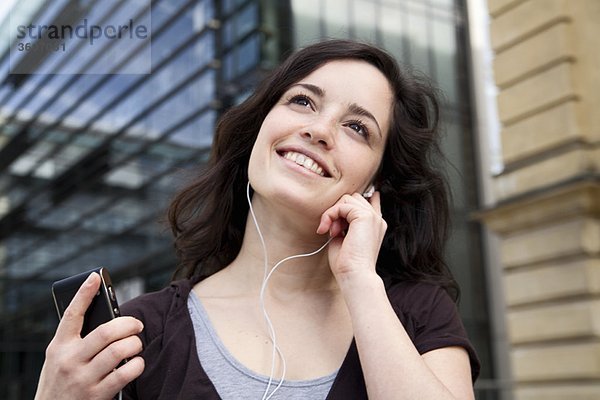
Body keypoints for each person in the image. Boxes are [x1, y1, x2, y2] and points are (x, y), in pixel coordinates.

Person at [35, 39, 480, 400]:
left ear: (374, 184)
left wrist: (361, 282)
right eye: (303, 101)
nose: (319, 130)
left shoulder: (415, 313)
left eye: (357, 128)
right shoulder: (140, 333)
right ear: (259, 131)